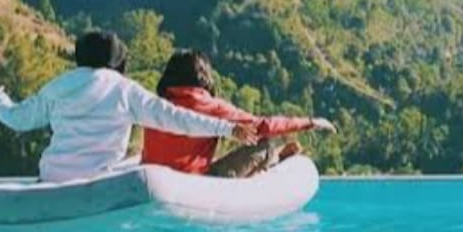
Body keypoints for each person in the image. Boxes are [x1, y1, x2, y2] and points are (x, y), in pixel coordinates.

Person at [0, 31, 258, 183]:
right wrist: (227, 127)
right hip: (97, 185)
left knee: (133, 159)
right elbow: (176, 118)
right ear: (118, 62)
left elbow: (16, 118)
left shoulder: (58, 86)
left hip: (52, 177)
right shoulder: (123, 89)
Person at [141, 49, 336, 178]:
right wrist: (309, 122)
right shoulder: (211, 106)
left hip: (156, 180)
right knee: (265, 144)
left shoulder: (153, 105)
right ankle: (275, 158)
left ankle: (275, 157)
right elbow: (262, 126)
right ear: (204, 76)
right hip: (198, 183)